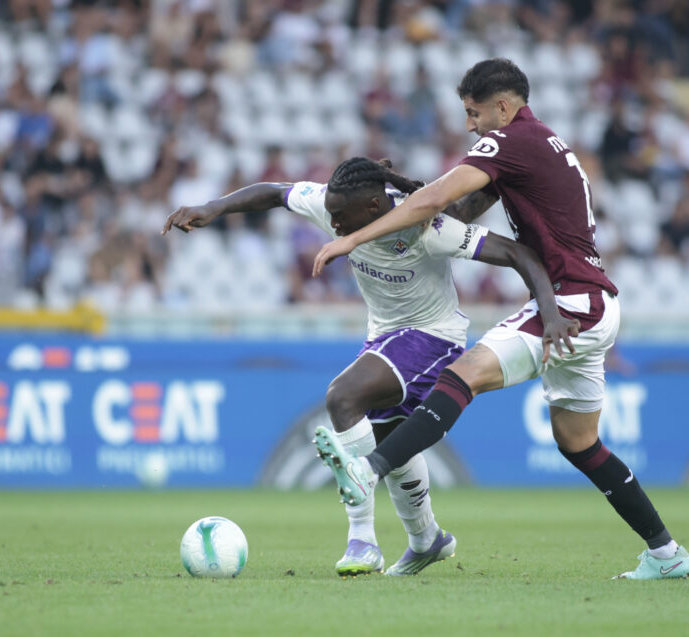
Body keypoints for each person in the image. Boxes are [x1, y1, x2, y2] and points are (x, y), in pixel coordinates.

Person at [312, 59, 689, 580]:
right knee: (579, 443)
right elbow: (463, 210)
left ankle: (368, 469)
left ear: (503, 106)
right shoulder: (540, 144)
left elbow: (436, 198)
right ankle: (667, 554)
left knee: (460, 375)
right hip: (590, 304)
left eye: (474, 113)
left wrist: (354, 237)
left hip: (570, 305)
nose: (471, 126)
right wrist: (422, 231)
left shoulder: (512, 141)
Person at [162, 156, 562, 577]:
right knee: (391, 440)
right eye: (330, 214)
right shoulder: (335, 202)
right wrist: (215, 207)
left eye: (340, 217)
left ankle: (362, 541)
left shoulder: (427, 228)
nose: (332, 223)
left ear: (372, 208)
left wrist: (549, 314)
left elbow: (517, 253)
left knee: (343, 396)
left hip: (434, 337)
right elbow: (275, 192)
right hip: (385, 337)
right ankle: (427, 540)